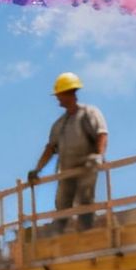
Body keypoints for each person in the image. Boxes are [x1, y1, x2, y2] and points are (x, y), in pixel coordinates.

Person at [28, 72, 107, 233]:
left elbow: (102, 134)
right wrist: (37, 169)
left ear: (68, 93)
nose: (57, 98)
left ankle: (87, 232)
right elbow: (50, 148)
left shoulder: (88, 113)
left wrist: (98, 155)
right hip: (67, 171)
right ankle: (60, 235)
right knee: (62, 203)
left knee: (85, 200)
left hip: (87, 167)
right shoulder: (60, 124)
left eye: (59, 94)